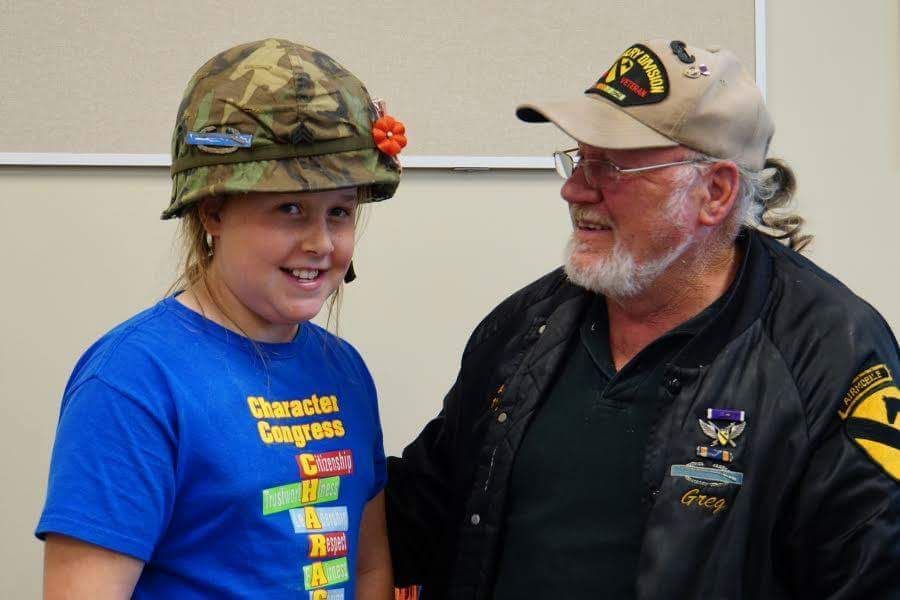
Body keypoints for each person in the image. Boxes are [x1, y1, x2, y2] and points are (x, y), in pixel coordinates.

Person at [386, 39, 900, 599]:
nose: (574, 188)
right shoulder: (522, 328)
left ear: (715, 191)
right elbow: (421, 516)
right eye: (578, 158)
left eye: (611, 165)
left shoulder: (829, 355)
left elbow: (870, 577)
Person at [36, 38, 407, 599]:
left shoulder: (344, 368)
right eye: (289, 208)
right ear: (213, 210)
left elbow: (371, 568)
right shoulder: (131, 381)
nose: (321, 242)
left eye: (340, 212)